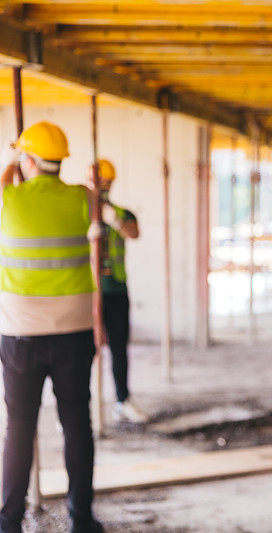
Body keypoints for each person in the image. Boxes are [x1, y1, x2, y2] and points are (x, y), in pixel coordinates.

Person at [0, 122, 103, 532]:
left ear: (28, 160)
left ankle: (8, 522)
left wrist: (13, 164)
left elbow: (6, 180)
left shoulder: (9, 200)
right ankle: (81, 518)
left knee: (19, 428)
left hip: (21, 335)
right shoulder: (82, 199)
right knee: (77, 423)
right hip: (74, 333)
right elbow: (93, 196)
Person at [86, 159, 148, 424]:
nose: (101, 187)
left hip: (116, 290)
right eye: (96, 181)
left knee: (119, 348)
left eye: (105, 182)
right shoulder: (81, 213)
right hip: (88, 292)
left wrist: (115, 221)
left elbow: (134, 233)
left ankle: (122, 400)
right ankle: (82, 406)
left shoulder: (122, 213)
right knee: (87, 350)